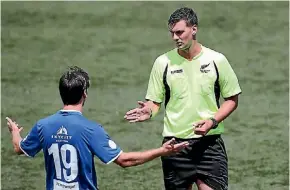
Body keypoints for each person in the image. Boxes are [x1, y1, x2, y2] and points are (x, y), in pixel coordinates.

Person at [6, 66, 189, 190]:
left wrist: (15, 131)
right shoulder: (91, 129)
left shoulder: (42, 126)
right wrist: (162, 151)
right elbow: (124, 160)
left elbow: (18, 147)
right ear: (85, 94)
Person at [124, 7, 242, 190]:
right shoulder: (162, 63)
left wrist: (212, 121)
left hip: (209, 145)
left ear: (193, 29)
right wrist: (148, 110)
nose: (175, 38)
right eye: (172, 33)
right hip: (174, 146)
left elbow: (232, 99)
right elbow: (155, 102)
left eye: (179, 32)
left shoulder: (216, 60)